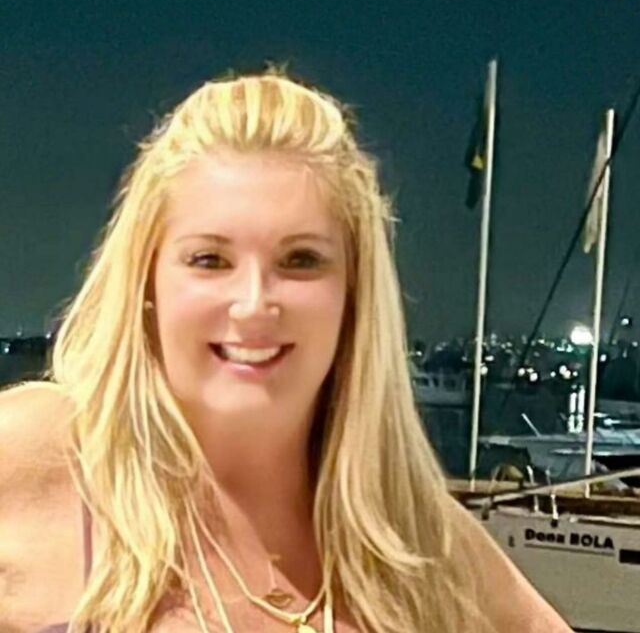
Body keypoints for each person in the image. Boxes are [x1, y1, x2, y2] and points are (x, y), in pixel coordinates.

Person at [0, 66, 572, 633]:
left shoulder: (416, 541)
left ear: (354, 293)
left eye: (300, 260)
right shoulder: (37, 459)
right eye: (209, 260)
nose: (253, 304)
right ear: (147, 282)